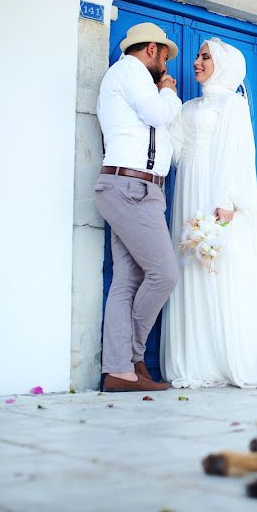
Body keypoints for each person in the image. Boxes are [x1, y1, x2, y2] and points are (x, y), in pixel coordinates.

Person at [162, 38, 257, 389]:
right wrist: (166, 105)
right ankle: (196, 362)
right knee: (189, 265)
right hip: (187, 188)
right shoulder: (188, 105)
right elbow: (176, 152)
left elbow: (238, 154)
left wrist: (227, 199)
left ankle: (228, 355)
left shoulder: (233, 104)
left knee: (218, 267)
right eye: (197, 57)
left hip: (216, 193)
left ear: (224, 64)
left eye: (205, 57)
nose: (197, 62)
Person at [94, 22, 182, 392]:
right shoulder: (130, 71)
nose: (166, 65)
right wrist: (168, 93)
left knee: (127, 282)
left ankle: (118, 371)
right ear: (151, 50)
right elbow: (158, 115)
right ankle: (132, 355)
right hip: (131, 188)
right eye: (164, 57)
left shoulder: (132, 79)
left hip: (134, 188)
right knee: (164, 274)